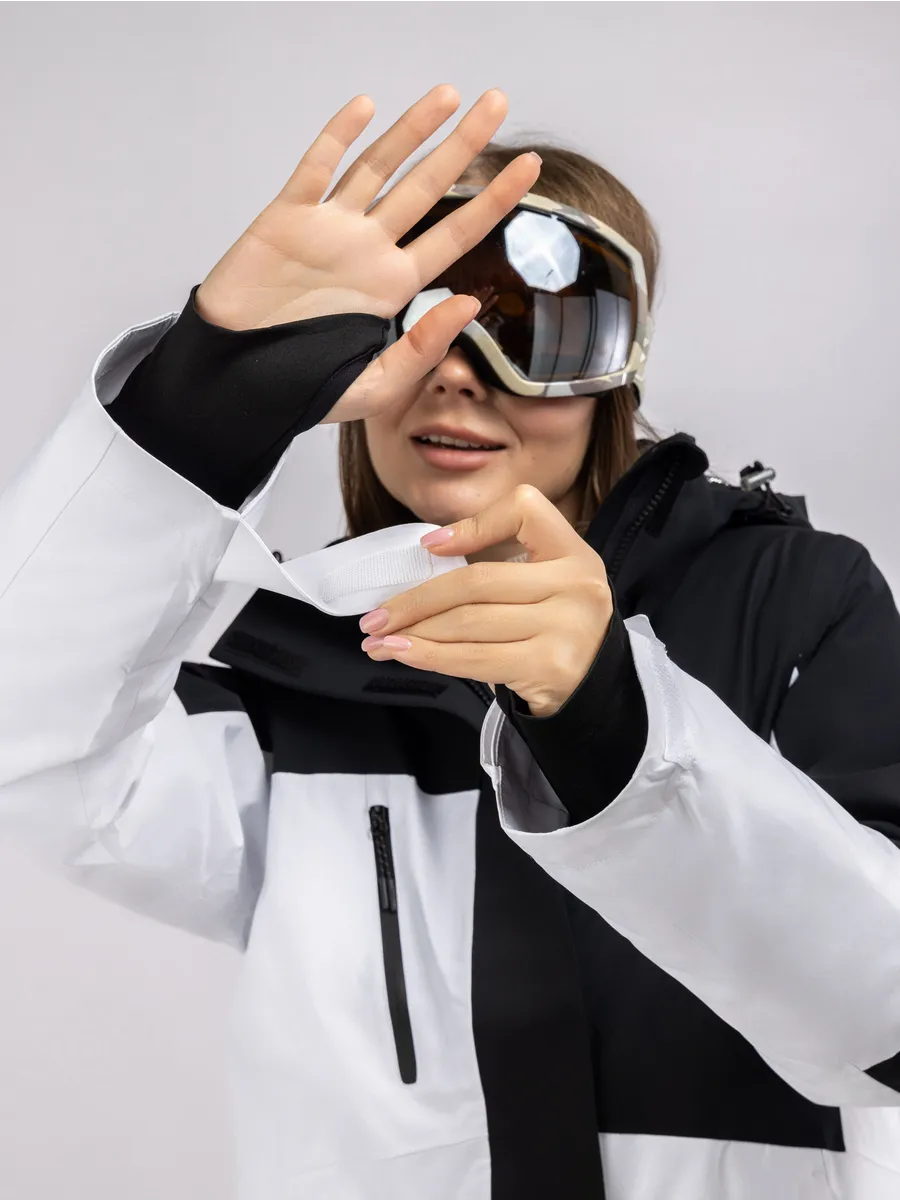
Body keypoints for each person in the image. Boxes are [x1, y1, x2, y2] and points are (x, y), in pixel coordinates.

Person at [0, 83, 898, 1200]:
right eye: (413, 320)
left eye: (533, 330)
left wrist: (615, 728)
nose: (461, 370)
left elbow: (886, 1021)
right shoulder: (295, 662)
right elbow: (35, 742)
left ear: (618, 371)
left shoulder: (791, 600)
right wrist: (196, 408)